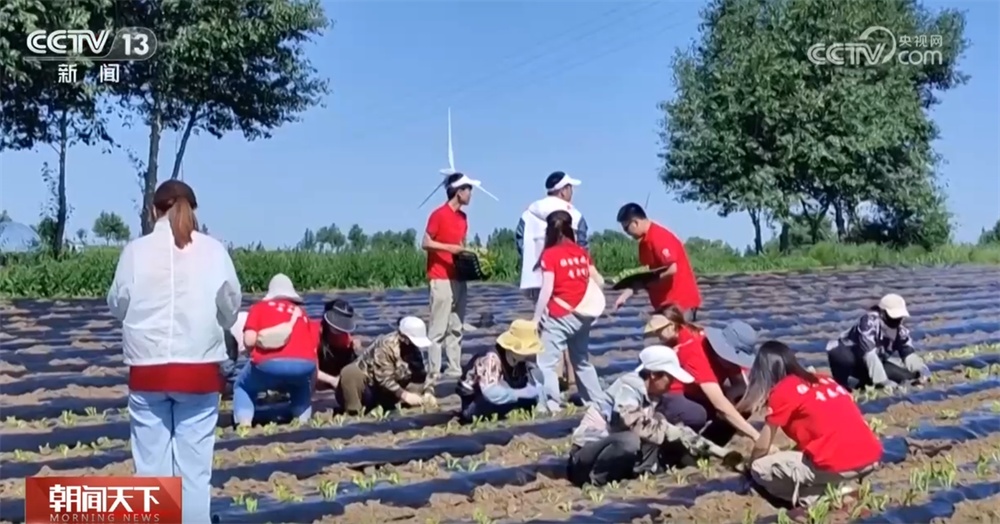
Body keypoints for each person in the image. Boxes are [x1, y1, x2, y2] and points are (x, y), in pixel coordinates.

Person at [107, 180, 241, 524]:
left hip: (147, 373)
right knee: (194, 475)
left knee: (152, 473)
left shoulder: (135, 252)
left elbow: (118, 305)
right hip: (198, 374)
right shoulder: (214, 251)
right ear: (193, 210)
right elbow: (230, 310)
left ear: (154, 211)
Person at [738, 341, 883, 508]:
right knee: (800, 459)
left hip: (840, 463)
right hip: (871, 456)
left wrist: (751, 465)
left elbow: (763, 445)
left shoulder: (784, 389)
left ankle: (824, 499)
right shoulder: (824, 380)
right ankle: (838, 488)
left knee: (760, 468)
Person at [568, 345, 738, 487]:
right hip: (584, 458)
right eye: (669, 377)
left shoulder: (652, 397)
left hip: (611, 451)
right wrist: (669, 430)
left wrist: (722, 453)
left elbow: (670, 430)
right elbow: (630, 421)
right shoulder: (629, 387)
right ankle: (596, 481)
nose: (672, 383)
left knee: (661, 433)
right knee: (632, 439)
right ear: (653, 375)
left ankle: (641, 475)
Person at [531, 210, 608, 415]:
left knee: (546, 362)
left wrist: (536, 318)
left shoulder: (550, 254)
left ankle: (551, 404)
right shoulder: (581, 253)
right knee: (581, 360)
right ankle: (596, 401)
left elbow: (547, 289)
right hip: (583, 314)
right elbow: (598, 280)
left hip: (560, 313)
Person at [516, 171, 587, 391]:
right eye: (570, 189)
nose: (571, 193)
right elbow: (582, 245)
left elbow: (520, 241)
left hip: (538, 278)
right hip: (567, 280)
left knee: (548, 329)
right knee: (570, 326)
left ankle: (554, 378)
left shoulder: (528, 213)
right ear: (563, 190)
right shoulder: (574, 215)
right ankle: (570, 377)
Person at [652, 312, 761, 448]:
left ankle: (711, 443)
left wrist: (734, 397)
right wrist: (756, 436)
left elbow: (742, 387)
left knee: (745, 402)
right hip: (674, 395)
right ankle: (677, 449)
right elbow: (720, 405)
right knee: (697, 415)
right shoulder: (696, 353)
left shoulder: (725, 356)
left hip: (700, 392)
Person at [233, 274, 319, 428]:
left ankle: (244, 423)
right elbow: (313, 349)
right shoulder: (301, 313)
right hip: (305, 365)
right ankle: (302, 419)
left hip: (268, 364)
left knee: (242, 386)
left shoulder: (259, 308)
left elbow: (248, 340)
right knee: (300, 387)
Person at [422, 172, 480, 379]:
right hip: (440, 277)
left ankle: (454, 368)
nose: (471, 194)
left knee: (456, 326)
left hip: (458, 277)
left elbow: (460, 246)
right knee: (438, 327)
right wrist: (450, 249)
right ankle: (434, 370)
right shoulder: (438, 215)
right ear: (458, 192)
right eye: (468, 190)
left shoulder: (463, 218)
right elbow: (426, 243)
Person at [612, 203, 702, 319]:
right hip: (664, 306)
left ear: (635, 222)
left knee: (681, 336)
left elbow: (672, 269)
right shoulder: (644, 243)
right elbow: (647, 276)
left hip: (679, 305)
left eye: (626, 228)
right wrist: (625, 295)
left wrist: (652, 283)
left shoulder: (659, 237)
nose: (627, 233)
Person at [826, 294, 931, 391]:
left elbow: (907, 352)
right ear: (882, 312)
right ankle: (846, 382)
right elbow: (869, 353)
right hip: (849, 356)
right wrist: (883, 381)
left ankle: (865, 380)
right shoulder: (868, 322)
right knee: (846, 361)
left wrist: (921, 369)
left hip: (874, 361)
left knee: (906, 376)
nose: (897, 320)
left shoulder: (900, 331)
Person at [337, 316, 437, 415]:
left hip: (389, 392)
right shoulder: (386, 345)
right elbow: (383, 378)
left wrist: (428, 392)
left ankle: (391, 405)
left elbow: (421, 375)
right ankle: (353, 410)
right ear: (404, 338)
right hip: (368, 388)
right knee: (350, 372)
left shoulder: (413, 350)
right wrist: (405, 395)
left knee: (417, 387)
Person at [457, 319, 544, 423]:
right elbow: (490, 393)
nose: (529, 355)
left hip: (501, 398)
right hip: (475, 404)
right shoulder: (491, 358)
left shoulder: (520, 361)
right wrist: (519, 393)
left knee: (530, 397)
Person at [315, 299, 361, 390]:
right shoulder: (315, 332)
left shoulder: (345, 337)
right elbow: (309, 368)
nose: (340, 331)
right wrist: (332, 380)